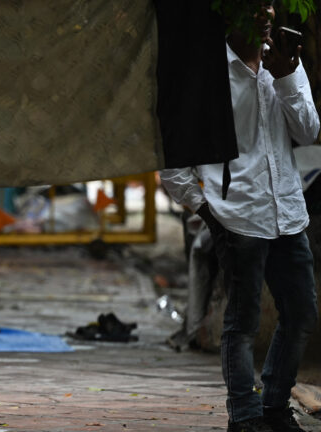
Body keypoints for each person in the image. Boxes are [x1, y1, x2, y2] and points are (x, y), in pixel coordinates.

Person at [160, 3, 320, 431]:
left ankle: (273, 406)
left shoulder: (283, 63)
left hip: (288, 212)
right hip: (238, 217)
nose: (265, 12)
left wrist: (287, 76)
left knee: (301, 312)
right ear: (228, 12)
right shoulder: (207, 71)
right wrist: (211, 214)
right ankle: (244, 416)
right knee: (242, 321)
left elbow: (308, 131)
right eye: (251, 3)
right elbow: (174, 165)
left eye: (268, 1)